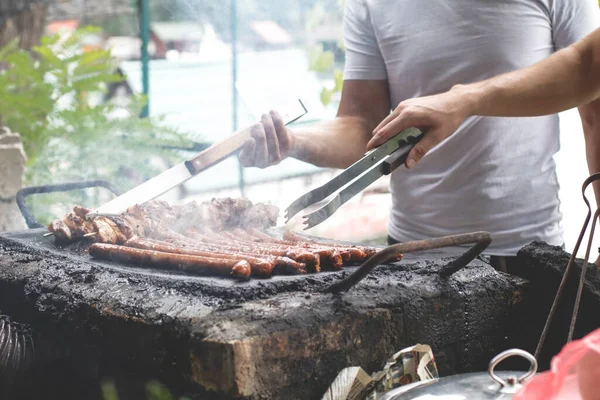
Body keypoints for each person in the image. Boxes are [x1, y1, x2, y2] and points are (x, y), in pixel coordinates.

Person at [239, 0, 600, 271]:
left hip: (526, 251)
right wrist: (293, 142)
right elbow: (364, 127)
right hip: (412, 255)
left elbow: (594, 104)